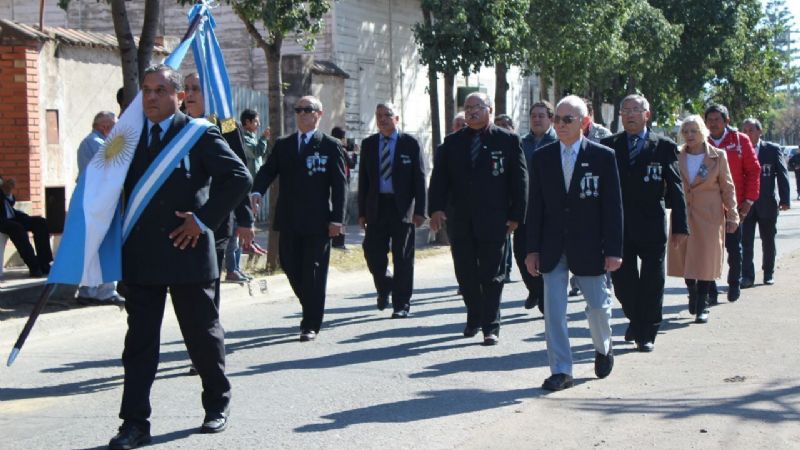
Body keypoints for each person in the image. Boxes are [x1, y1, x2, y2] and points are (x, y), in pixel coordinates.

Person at [109, 64, 251, 449]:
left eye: (159, 91)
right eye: (147, 91)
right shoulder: (129, 136)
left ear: (178, 96)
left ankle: (216, 403)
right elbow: (103, 187)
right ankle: (134, 424)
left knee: (201, 336)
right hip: (141, 255)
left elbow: (239, 178)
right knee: (139, 344)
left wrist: (203, 220)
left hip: (188, 250)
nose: (151, 98)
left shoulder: (198, 134)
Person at [524, 95, 622, 391]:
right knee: (554, 310)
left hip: (590, 245)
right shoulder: (543, 156)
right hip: (553, 246)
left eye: (568, 119)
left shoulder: (603, 157)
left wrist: (614, 250)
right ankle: (561, 370)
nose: (561, 125)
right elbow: (536, 206)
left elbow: (613, 207)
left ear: (584, 122)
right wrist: (532, 249)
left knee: (598, 306)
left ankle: (604, 346)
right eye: (558, 119)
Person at [429, 92, 527, 346]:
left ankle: (491, 325)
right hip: (460, 220)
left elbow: (520, 180)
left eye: (478, 107)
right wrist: (436, 210)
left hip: (495, 219)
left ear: (490, 110)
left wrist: (517, 215)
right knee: (465, 271)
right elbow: (439, 180)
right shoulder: (451, 143)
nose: (472, 111)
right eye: (468, 107)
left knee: (492, 274)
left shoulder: (507, 140)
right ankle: (474, 315)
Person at [251, 95, 346, 342]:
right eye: (298, 110)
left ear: (319, 114)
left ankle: (311, 322)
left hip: (318, 222)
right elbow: (267, 170)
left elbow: (339, 185)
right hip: (289, 218)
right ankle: (312, 304)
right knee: (290, 265)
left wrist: (337, 219)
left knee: (313, 272)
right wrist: (256, 191)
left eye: (308, 109)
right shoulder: (284, 145)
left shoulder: (329, 144)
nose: (302, 114)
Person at [600, 95, 688, 352]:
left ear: (646, 115)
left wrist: (680, 225)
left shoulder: (663, 146)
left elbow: (676, 186)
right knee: (623, 282)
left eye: (635, 110)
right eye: (625, 110)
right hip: (619, 226)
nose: (630, 115)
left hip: (651, 224)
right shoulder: (608, 146)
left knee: (652, 281)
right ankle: (636, 319)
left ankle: (646, 330)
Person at [183, 72, 256, 287]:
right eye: (186, 88)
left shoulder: (226, 126)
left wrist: (245, 219)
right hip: (183, 216)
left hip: (215, 217)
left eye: (196, 89)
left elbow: (240, 176)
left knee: (207, 284)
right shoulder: (177, 124)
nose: (189, 94)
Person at [667, 115, 738, 324]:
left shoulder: (718, 156)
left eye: (694, 131)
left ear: (703, 133)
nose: (689, 135)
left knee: (706, 257)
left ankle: (703, 303)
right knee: (685, 256)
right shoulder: (676, 155)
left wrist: (733, 214)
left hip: (709, 215)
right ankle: (692, 290)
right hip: (683, 213)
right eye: (686, 131)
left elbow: (728, 187)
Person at [358, 102, 427, 318]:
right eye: (379, 115)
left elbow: (420, 178)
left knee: (403, 258)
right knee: (372, 251)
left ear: (397, 119)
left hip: (402, 208)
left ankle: (401, 304)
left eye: (387, 115)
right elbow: (364, 181)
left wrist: (420, 211)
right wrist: (361, 211)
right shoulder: (369, 144)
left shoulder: (410, 143)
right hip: (376, 207)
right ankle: (385, 284)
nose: (383, 119)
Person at [704, 104, 760, 302]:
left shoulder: (740, 140)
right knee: (709, 248)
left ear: (726, 121)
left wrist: (749, 201)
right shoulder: (702, 141)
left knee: (734, 247)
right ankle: (709, 289)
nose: (713, 124)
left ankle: (734, 283)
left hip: (733, 205)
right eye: (709, 120)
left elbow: (754, 171)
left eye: (717, 119)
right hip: (707, 206)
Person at [75, 111, 125, 305]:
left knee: (96, 248)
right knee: (102, 247)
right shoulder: (96, 143)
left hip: (99, 201)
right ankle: (101, 291)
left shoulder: (95, 142)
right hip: (98, 203)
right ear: (105, 127)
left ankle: (91, 290)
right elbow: (114, 166)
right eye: (116, 127)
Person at [740, 118, 790, 287]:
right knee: (745, 241)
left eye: (751, 130)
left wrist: (784, 200)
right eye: (744, 131)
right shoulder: (738, 150)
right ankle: (747, 275)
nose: (747, 134)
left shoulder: (772, 150)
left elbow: (783, 175)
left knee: (768, 240)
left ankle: (768, 272)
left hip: (767, 203)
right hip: (745, 204)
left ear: (759, 132)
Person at [517, 101, 557, 312]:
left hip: (549, 208)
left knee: (545, 253)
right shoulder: (521, 143)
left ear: (550, 119)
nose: (537, 119)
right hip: (525, 206)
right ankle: (534, 288)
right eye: (533, 115)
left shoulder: (558, 141)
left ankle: (543, 297)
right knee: (520, 251)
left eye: (541, 116)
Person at [0, 176, 52, 277]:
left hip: (12, 216)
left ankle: (45, 264)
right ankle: (34, 266)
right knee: (17, 228)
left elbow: (9, 202)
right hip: (2, 220)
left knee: (40, 222)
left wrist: (8, 192)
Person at [493, 114, 516, 284]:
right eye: (498, 124)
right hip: (499, 200)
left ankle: (507, 266)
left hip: (514, 198)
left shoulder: (515, 142)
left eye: (506, 124)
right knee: (504, 236)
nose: (502, 126)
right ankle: (504, 267)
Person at [331, 126, 358, 249]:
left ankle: (335, 241)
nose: (346, 140)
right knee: (343, 213)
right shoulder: (342, 150)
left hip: (332, 184)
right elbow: (351, 165)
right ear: (341, 138)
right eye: (344, 137)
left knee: (335, 212)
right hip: (343, 184)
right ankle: (339, 242)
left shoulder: (330, 147)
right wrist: (356, 154)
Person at [240, 108, 270, 178]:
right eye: (256, 121)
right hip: (249, 184)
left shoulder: (252, 138)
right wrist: (263, 138)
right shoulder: (243, 139)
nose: (259, 124)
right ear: (247, 122)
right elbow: (256, 153)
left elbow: (263, 156)